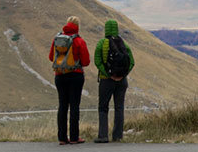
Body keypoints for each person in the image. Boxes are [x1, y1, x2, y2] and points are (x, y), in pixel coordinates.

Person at [49, 16, 90, 144]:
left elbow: (51, 57)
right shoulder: (79, 41)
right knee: (74, 106)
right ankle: (74, 137)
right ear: (77, 27)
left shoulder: (57, 39)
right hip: (75, 76)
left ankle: (62, 138)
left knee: (62, 106)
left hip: (60, 75)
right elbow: (86, 61)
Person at [94, 19, 135, 143]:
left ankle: (103, 136)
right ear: (117, 28)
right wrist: (122, 75)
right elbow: (131, 62)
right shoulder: (124, 44)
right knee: (119, 107)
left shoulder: (102, 43)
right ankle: (117, 136)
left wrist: (108, 74)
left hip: (106, 80)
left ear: (106, 29)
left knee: (103, 108)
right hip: (122, 81)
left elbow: (97, 61)